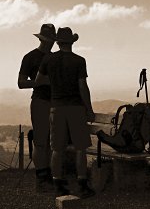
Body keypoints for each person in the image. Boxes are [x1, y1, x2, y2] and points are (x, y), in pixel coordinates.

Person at [35, 27, 95, 198]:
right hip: (76, 108)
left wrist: (54, 81)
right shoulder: (79, 61)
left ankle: (58, 184)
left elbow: (39, 80)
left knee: (57, 149)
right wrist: (89, 109)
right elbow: (82, 86)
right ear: (72, 42)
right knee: (80, 148)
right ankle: (82, 184)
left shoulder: (48, 59)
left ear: (58, 42)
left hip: (56, 107)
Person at [17, 24, 56, 192]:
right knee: (41, 142)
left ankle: (46, 176)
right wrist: (40, 83)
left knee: (51, 142)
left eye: (52, 40)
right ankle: (41, 179)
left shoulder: (55, 58)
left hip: (55, 103)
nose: (50, 43)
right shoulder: (30, 57)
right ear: (41, 39)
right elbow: (20, 83)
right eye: (48, 40)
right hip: (40, 102)